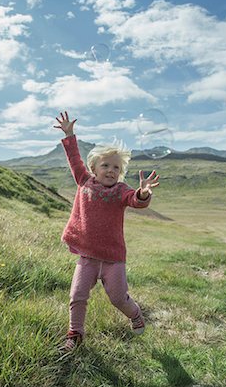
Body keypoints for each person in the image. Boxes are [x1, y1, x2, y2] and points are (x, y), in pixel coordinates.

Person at [54, 111, 159, 351]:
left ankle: (135, 314)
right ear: (94, 168)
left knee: (118, 298)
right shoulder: (83, 180)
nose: (111, 170)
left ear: (120, 173)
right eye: (105, 165)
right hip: (87, 256)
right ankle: (75, 335)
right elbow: (74, 159)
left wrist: (143, 193)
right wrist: (69, 134)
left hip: (113, 259)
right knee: (77, 296)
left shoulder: (121, 190)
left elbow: (135, 199)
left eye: (116, 167)